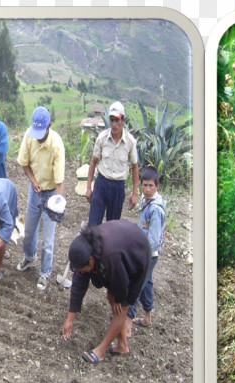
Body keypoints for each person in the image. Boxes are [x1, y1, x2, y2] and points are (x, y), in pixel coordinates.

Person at [62, 220, 151, 363]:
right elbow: (79, 284)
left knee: (121, 307)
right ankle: (122, 345)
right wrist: (69, 319)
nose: (80, 272)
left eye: (81, 269)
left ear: (91, 260)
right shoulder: (86, 250)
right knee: (113, 299)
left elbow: (122, 285)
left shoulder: (110, 256)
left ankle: (101, 351)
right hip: (122, 253)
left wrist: (118, 298)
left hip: (138, 257)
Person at [15, 106, 65, 291]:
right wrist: (34, 181)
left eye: (40, 132)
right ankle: (29, 257)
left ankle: (45, 273)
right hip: (35, 190)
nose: (37, 136)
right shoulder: (29, 136)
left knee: (48, 240)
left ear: (49, 126)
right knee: (29, 231)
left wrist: (58, 205)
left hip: (51, 192)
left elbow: (60, 182)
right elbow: (24, 164)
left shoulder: (57, 144)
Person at [85, 101, 139, 226]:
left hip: (118, 187)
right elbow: (93, 162)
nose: (114, 124)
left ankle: (108, 246)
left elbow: (135, 167)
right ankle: (92, 246)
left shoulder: (130, 142)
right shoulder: (102, 138)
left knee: (112, 227)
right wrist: (88, 188)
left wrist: (135, 194)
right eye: (112, 120)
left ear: (123, 121)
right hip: (101, 184)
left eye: (117, 120)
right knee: (93, 225)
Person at [127, 166, 166, 329]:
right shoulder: (145, 201)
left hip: (149, 254)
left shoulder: (155, 209)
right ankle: (148, 317)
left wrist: (141, 255)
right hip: (145, 252)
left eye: (151, 186)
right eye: (144, 185)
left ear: (157, 186)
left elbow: (154, 240)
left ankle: (126, 326)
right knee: (147, 283)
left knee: (135, 286)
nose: (147, 189)